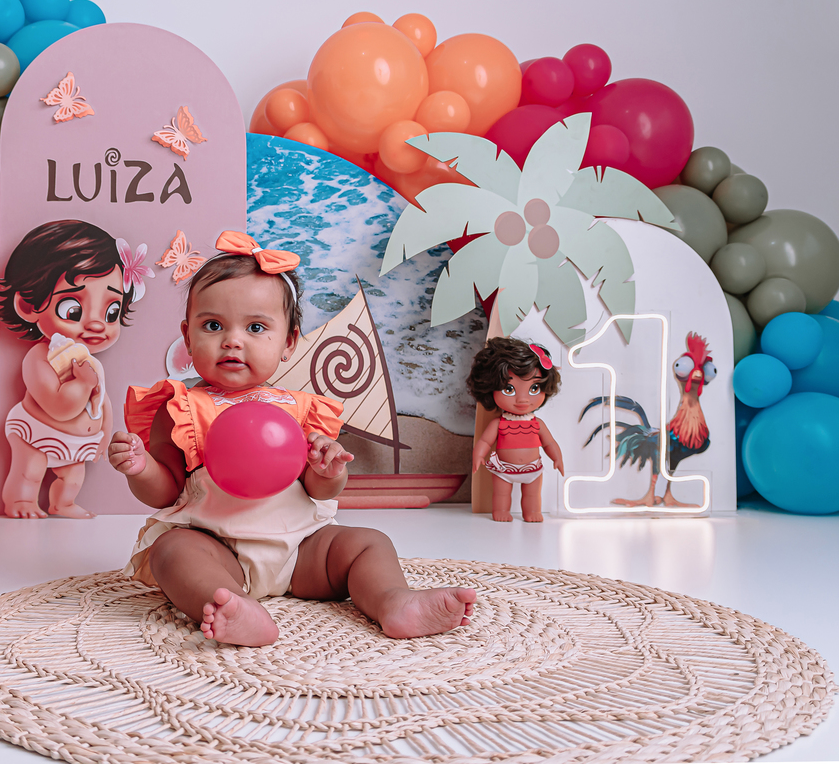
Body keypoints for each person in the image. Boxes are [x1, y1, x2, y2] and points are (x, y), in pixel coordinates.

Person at [107, 231, 476, 647]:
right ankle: (233, 605)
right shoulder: (181, 409)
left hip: (302, 550)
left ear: (288, 342)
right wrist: (141, 468)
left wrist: (328, 470)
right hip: (217, 548)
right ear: (188, 337)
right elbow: (165, 491)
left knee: (369, 543)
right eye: (213, 325)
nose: (232, 340)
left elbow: (318, 490)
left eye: (255, 327)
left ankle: (393, 601)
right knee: (172, 551)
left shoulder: (300, 409)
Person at [0, 219, 152, 518]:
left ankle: (62, 503)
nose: (97, 324)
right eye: (73, 309)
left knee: (73, 477)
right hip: (36, 433)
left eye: (111, 311)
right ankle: (21, 501)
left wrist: (104, 433)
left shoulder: (89, 362)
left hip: (76, 443)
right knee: (30, 469)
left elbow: (101, 400)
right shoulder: (39, 357)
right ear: (28, 307)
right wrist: (82, 384)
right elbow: (58, 406)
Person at [467, 337, 564, 523]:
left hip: (533, 469)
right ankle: (501, 510)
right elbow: (485, 441)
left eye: (534, 388)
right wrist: (478, 455)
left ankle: (532, 512)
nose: (522, 399)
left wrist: (557, 458)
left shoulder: (537, 423)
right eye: (509, 389)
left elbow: (549, 443)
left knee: (532, 494)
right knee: (501, 494)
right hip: (504, 469)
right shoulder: (498, 423)